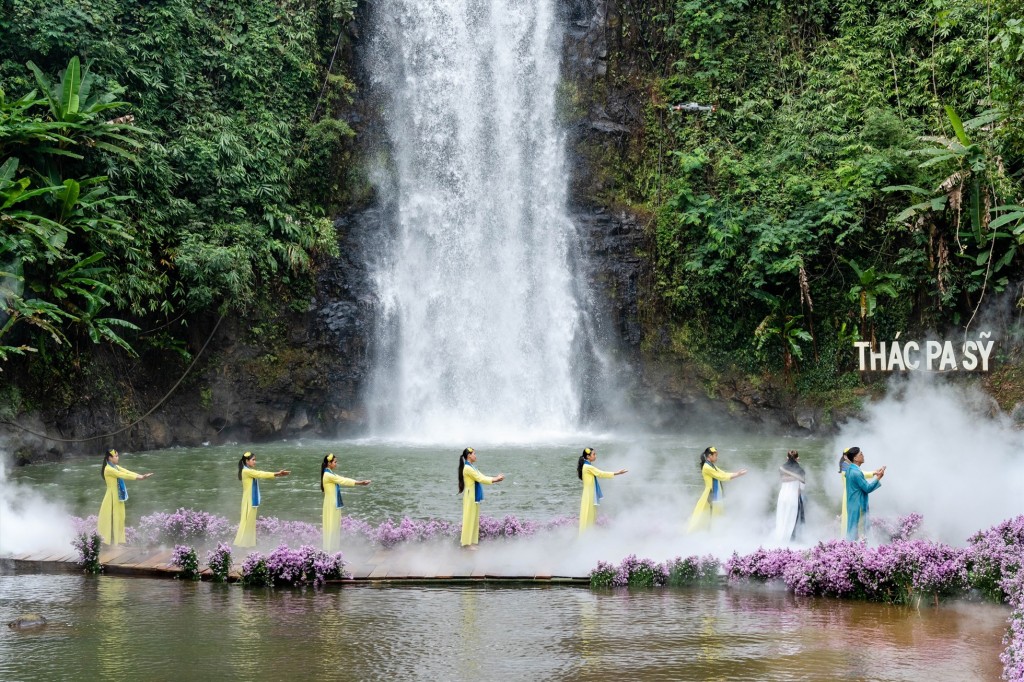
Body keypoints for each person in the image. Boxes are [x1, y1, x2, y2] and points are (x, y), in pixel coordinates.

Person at [233, 451, 290, 548]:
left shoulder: (247, 470)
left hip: (250, 499)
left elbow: (259, 474)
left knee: (250, 522)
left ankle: (247, 544)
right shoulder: (246, 471)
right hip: (248, 500)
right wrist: (277, 474)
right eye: (253, 460)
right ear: (247, 461)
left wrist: (277, 475)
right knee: (246, 522)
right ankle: (241, 544)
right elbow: (260, 474)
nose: (255, 462)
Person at [97, 449, 154, 545]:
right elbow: (122, 475)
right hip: (111, 498)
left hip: (118, 496)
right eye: (116, 456)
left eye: (117, 455)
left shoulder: (115, 467)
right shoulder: (109, 469)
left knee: (120, 517)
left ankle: (118, 542)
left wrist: (141, 476)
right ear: (110, 458)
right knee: (111, 518)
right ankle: (110, 542)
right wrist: (140, 478)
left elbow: (127, 472)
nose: (118, 457)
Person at [687, 446, 747, 532]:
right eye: (715, 455)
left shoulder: (711, 465)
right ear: (710, 456)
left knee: (716, 515)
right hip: (711, 495)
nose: (717, 457)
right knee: (709, 515)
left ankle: (715, 533)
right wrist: (738, 475)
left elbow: (722, 473)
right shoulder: (707, 467)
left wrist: (737, 473)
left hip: (716, 494)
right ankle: (707, 533)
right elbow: (721, 476)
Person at [320, 453, 371, 553]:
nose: (336, 464)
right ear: (329, 463)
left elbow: (343, 478)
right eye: (335, 462)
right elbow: (342, 480)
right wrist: (359, 483)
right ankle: (330, 550)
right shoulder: (328, 475)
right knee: (331, 525)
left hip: (333, 503)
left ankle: (333, 549)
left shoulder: (330, 473)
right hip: (331, 504)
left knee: (334, 525)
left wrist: (358, 482)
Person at [458, 448, 504, 550]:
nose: (476, 455)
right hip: (470, 496)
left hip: (474, 496)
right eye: (474, 454)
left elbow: (481, 476)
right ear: (469, 455)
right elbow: (480, 479)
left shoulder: (472, 467)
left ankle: (472, 542)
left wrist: (494, 479)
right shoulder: (468, 468)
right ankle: (466, 544)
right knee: (469, 519)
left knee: (474, 519)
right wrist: (495, 479)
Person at [577, 447, 627, 536]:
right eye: (594, 454)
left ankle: (587, 536)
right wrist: (617, 473)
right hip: (589, 495)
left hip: (589, 494)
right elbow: (601, 473)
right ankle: (585, 537)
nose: (595, 456)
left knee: (590, 516)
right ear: (588, 456)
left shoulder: (586, 466)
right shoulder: (588, 467)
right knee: (588, 516)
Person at [837, 447, 884, 535]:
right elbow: (867, 488)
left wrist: (874, 472)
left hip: (852, 503)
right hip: (859, 505)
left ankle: (848, 547)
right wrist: (878, 478)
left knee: (852, 529)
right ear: (855, 458)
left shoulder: (849, 469)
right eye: (861, 454)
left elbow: (861, 473)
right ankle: (858, 548)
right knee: (860, 531)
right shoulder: (855, 472)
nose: (863, 456)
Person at [774, 450, 806, 542]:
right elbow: (802, 488)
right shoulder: (801, 471)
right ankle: (789, 543)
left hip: (782, 496)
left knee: (781, 519)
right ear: (797, 458)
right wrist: (796, 478)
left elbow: (781, 480)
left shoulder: (781, 468)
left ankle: (778, 540)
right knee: (791, 521)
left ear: (787, 458)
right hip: (792, 497)